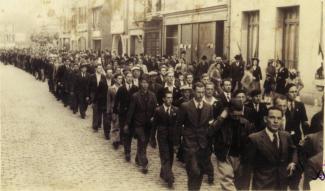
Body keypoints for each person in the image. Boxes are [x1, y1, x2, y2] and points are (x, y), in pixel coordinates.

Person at [243, 107, 298, 190]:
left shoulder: (286, 136)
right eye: (272, 117)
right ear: (265, 119)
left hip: (282, 185)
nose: (276, 121)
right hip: (263, 186)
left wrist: (293, 162)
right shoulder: (254, 139)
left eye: (279, 118)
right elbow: (246, 168)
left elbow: (293, 150)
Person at [176, 82, 214, 190]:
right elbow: (178, 125)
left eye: (203, 92)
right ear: (194, 92)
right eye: (198, 92)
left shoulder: (209, 107)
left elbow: (210, 127)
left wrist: (211, 144)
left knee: (200, 171)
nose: (201, 95)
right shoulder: (185, 106)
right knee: (194, 170)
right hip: (189, 143)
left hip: (203, 144)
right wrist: (176, 143)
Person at [211, 98, 253, 191]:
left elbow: (249, 142)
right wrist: (221, 118)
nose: (237, 118)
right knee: (227, 182)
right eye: (235, 115)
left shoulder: (245, 123)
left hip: (239, 157)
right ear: (229, 112)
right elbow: (210, 132)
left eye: (239, 115)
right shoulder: (222, 122)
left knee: (239, 184)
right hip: (224, 155)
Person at [125, 74, 158, 173]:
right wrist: (127, 124)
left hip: (148, 125)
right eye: (143, 82)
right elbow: (131, 111)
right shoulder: (135, 96)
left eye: (147, 82)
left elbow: (155, 109)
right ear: (140, 83)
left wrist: (153, 117)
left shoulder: (152, 95)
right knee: (142, 140)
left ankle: (137, 158)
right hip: (138, 124)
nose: (145, 85)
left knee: (144, 143)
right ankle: (144, 163)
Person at [152, 90, 179, 188]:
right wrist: (152, 139)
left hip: (172, 138)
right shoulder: (158, 110)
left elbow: (178, 126)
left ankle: (164, 172)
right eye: (168, 98)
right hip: (162, 137)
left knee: (171, 157)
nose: (170, 100)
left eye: (171, 98)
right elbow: (154, 126)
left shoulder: (175, 110)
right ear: (163, 99)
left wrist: (177, 139)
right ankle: (170, 178)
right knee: (165, 156)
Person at [113, 71, 139, 161]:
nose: (129, 78)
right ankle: (127, 152)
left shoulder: (135, 88)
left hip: (133, 115)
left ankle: (127, 148)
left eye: (131, 77)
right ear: (125, 78)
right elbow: (116, 101)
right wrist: (115, 112)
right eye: (128, 76)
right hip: (123, 114)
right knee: (125, 133)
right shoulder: (121, 88)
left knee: (131, 133)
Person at [89, 64, 108, 132]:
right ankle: (95, 126)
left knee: (100, 109)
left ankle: (99, 123)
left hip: (101, 95)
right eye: (98, 68)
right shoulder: (92, 76)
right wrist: (89, 95)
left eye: (101, 68)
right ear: (96, 69)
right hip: (94, 94)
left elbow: (105, 86)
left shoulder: (103, 76)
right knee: (95, 110)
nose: (100, 69)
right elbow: (89, 86)